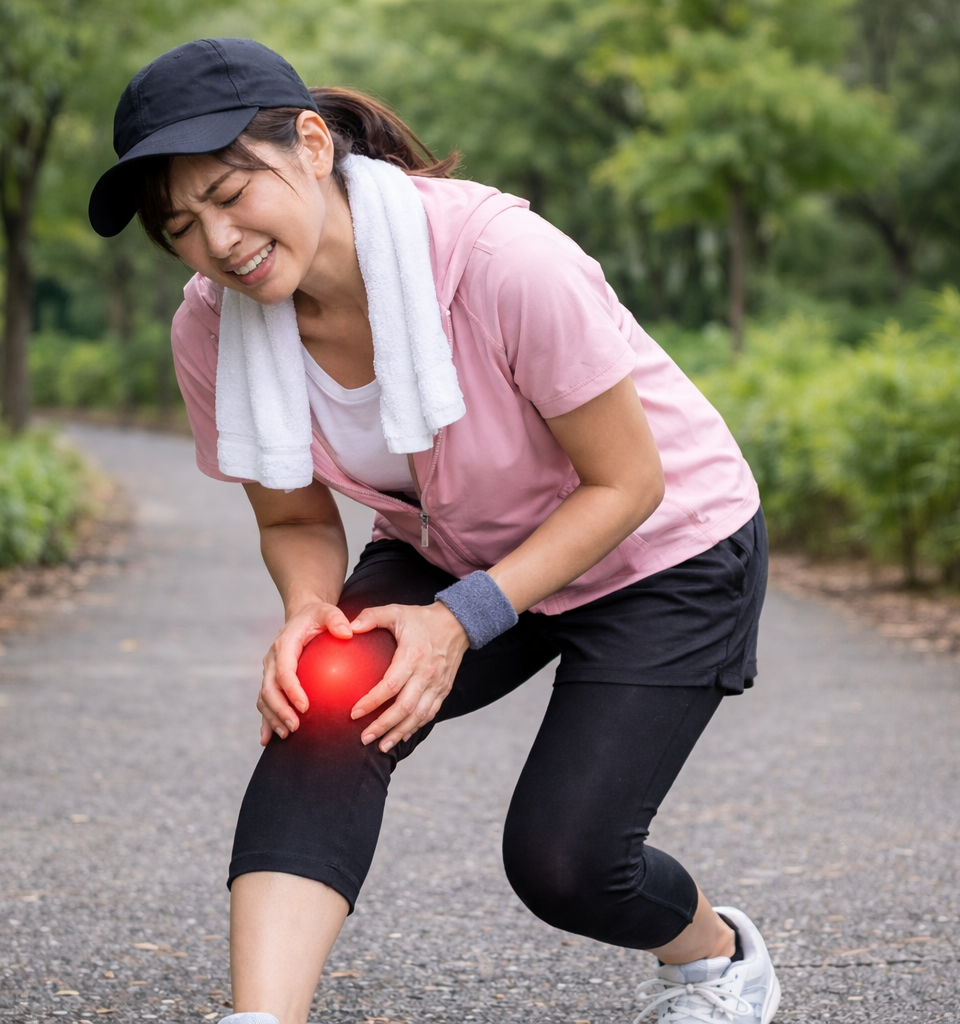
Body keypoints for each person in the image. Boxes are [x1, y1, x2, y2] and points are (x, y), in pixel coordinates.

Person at [88, 37, 778, 1024]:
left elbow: (626, 481)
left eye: (233, 193)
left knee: (566, 861)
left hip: (662, 548)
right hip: (456, 540)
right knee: (324, 702)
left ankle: (720, 958)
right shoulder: (212, 329)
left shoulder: (500, 261)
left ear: (313, 145)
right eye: (181, 228)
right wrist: (310, 610)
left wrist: (459, 620)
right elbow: (291, 511)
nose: (218, 242)